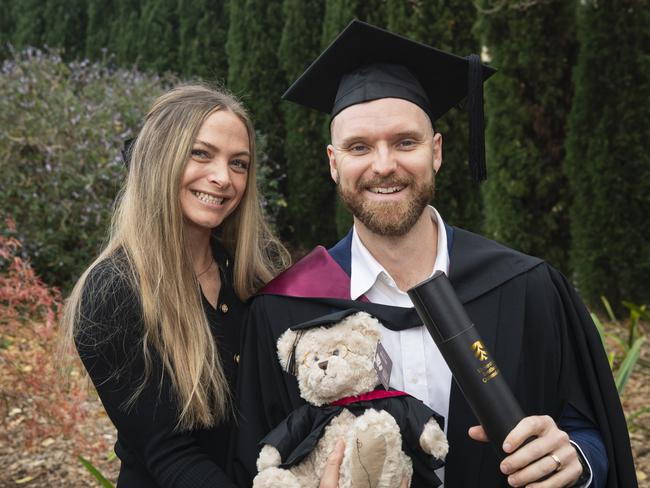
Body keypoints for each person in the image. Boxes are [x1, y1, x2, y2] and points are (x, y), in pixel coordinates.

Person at [232, 20, 637, 488]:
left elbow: (591, 431)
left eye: (405, 142)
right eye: (359, 146)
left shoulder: (527, 287)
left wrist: (577, 461)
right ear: (332, 162)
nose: (384, 165)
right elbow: (255, 462)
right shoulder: (285, 310)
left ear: (436, 151)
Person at [61, 84, 293, 487]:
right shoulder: (113, 293)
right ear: (159, 159)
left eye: (239, 163)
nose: (223, 178)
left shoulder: (255, 274)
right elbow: (170, 456)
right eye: (200, 154)